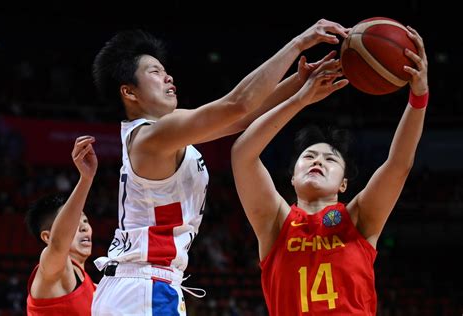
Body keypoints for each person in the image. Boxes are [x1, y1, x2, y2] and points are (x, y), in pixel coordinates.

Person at [90, 20, 350, 315]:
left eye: (165, 70)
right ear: (130, 93)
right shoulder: (151, 136)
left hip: (141, 286)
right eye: (155, 72)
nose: (168, 77)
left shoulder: (162, 131)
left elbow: (240, 118)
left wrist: (298, 83)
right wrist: (298, 44)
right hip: (144, 287)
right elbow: (237, 104)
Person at [231, 26, 428, 315]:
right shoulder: (275, 222)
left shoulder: (359, 218)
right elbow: (242, 154)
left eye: (331, 159)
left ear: (344, 184)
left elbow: (398, 164)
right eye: (309, 156)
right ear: (293, 177)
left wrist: (419, 96)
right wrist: (299, 99)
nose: (318, 161)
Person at [26, 136, 98, 315]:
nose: (83, 227)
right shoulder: (51, 272)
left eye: (86, 221)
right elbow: (59, 244)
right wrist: (86, 179)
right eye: (76, 222)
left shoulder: (95, 288)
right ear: (47, 236)